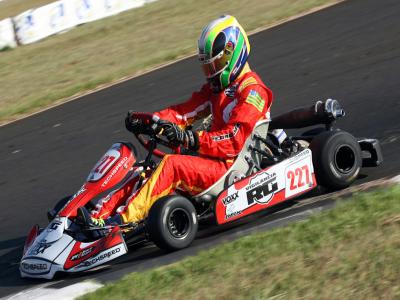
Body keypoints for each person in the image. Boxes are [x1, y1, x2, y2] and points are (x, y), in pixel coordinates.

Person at [78, 15, 273, 227]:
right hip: (211, 160)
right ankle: (98, 216)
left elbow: (234, 139)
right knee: (143, 170)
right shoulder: (217, 91)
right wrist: (151, 121)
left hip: (231, 168)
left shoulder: (253, 91)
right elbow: (183, 113)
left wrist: (189, 138)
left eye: (215, 65)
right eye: (207, 67)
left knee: (173, 165)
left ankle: (121, 222)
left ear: (232, 54)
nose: (211, 73)